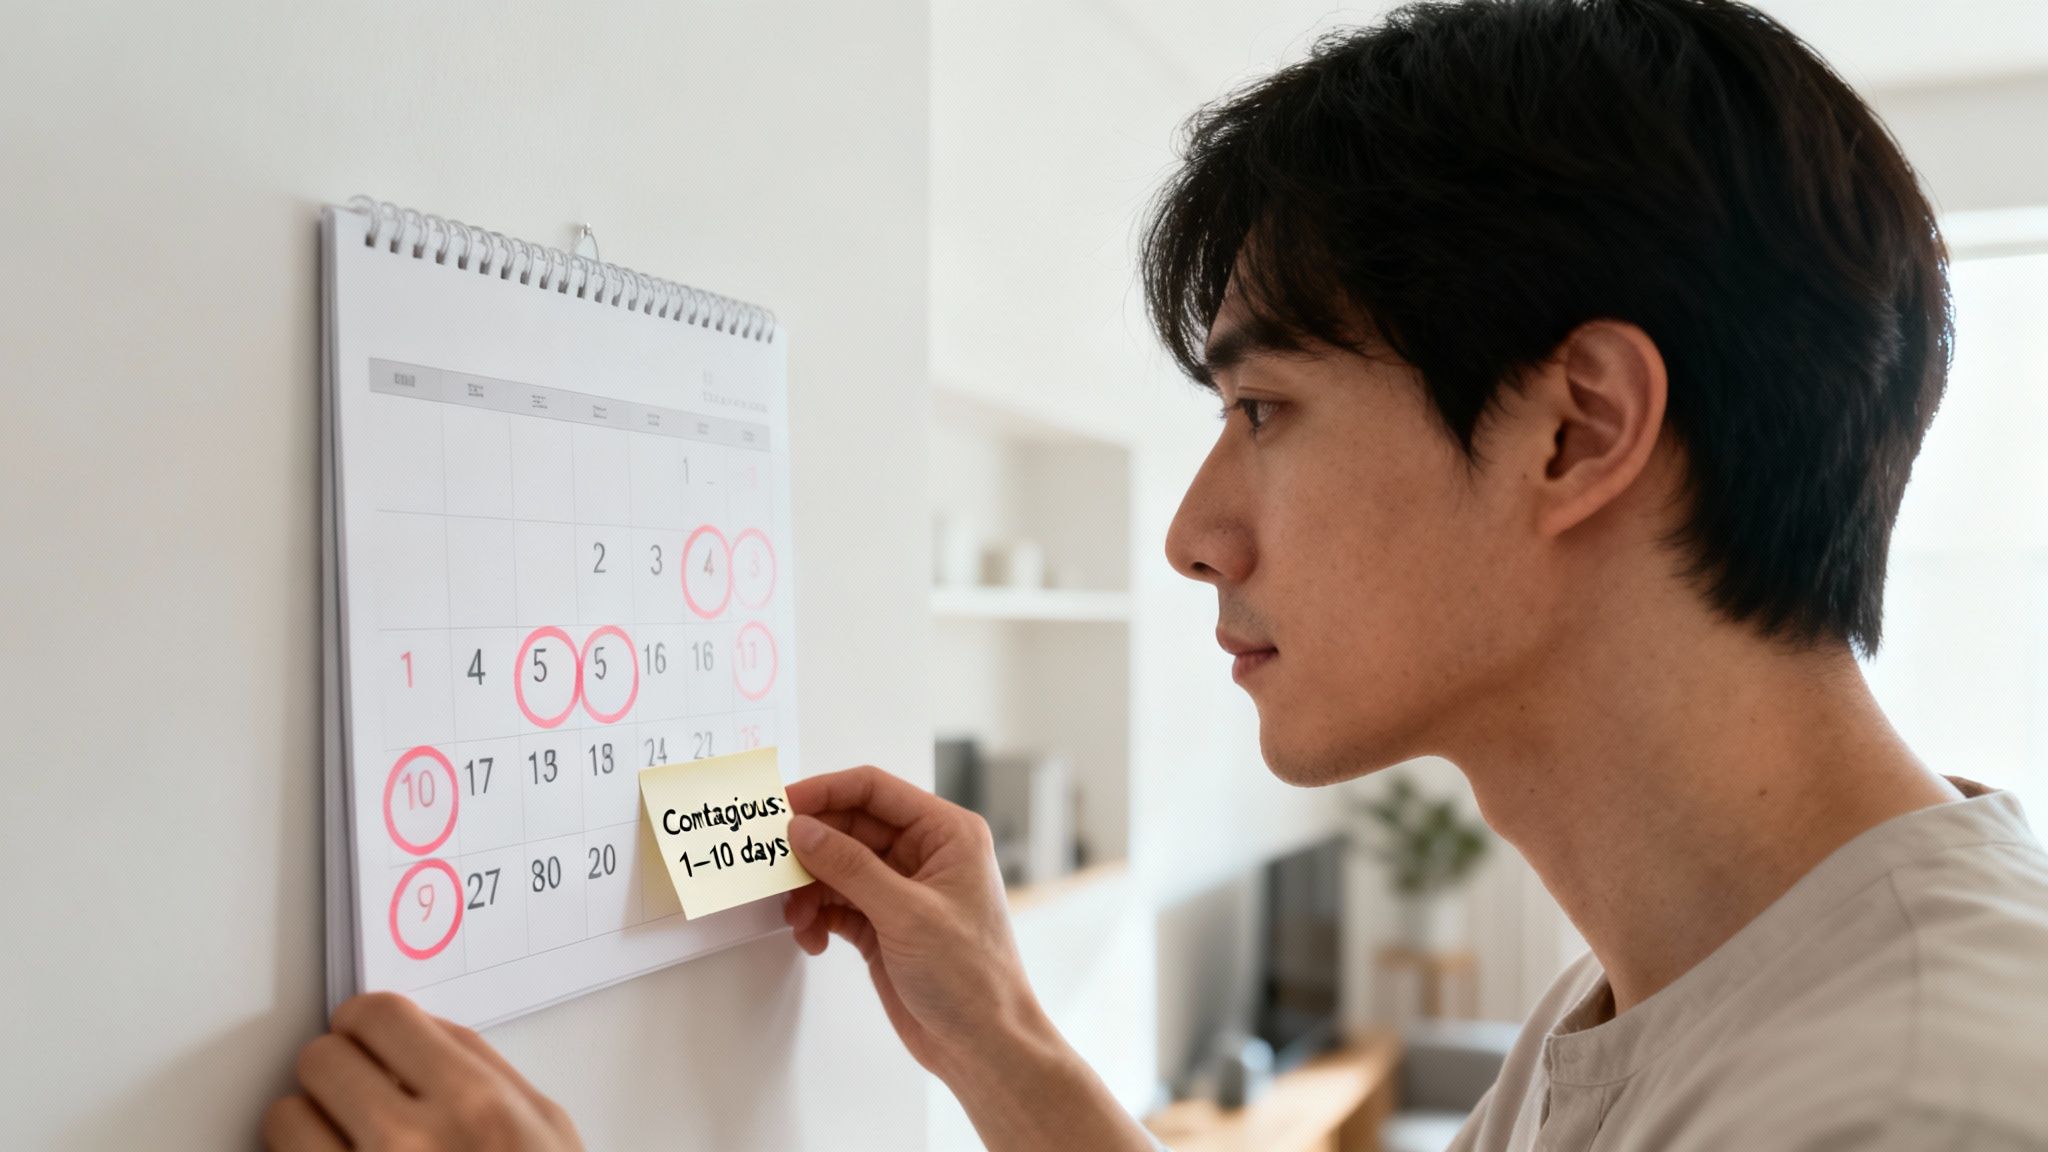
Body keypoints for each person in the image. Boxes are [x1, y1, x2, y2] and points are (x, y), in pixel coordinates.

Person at [263, 0, 2048, 1148]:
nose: (1194, 531)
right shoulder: (1668, 989)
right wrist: (1016, 1056)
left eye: (1265, 406)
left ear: (1576, 429)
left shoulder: (1917, 1105)